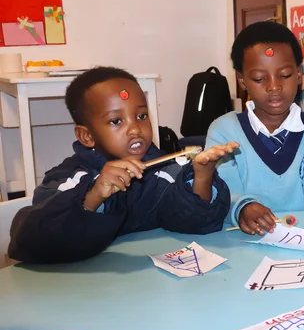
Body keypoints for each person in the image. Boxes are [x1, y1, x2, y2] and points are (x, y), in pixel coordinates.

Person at [8, 67, 238, 264]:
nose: (135, 129)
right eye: (116, 121)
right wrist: (93, 196)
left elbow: (194, 223)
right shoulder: (69, 178)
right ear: (86, 136)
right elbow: (29, 240)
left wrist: (202, 176)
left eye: (141, 116)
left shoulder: (164, 172)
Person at [207, 21, 304, 235]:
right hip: (242, 245)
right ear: (242, 80)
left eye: (284, 75)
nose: (274, 86)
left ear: (299, 73)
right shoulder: (224, 131)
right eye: (259, 78)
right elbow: (223, 191)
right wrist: (244, 207)